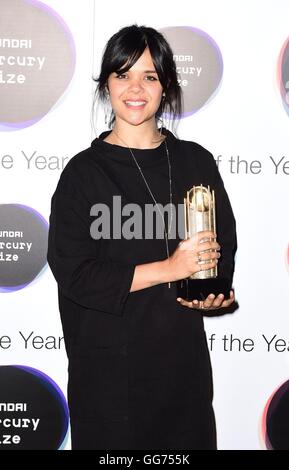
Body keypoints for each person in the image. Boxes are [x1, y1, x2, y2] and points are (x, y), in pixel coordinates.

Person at [47, 24, 237, 450]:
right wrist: (168, 268)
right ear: (106, 85)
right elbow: (75, 275)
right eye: (122, 74)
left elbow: (221, 251)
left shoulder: (196, 162)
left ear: (165, 86)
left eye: (149, 76)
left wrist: (212, 291)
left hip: (181, 379)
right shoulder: (83, 174)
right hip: (108, 383)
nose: (136, 88)